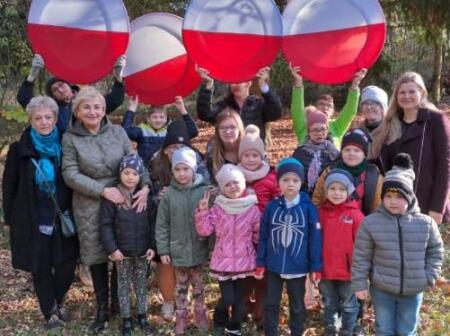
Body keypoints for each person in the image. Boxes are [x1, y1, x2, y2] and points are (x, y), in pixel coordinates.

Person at [62, 87, 151, 332]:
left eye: (97, 107)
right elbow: (70, 173)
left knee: (120, 252)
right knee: (97, 254)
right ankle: (102, 310)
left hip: (124, 202)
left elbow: (136, 162)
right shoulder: (70, 138)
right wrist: (102, 191)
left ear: (104, 110)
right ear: (77, 112)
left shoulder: (118, 132)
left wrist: (145, 187)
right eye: (87, 107)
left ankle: (117, 306)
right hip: (90, 204)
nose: (93, 112)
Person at [2, 96, 78, 329]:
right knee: (41, 263)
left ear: (56, 118)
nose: (44, 122)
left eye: (48, 117)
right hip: (33, 215)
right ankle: (50, 311)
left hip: (64, 212)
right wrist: (9, 216)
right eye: (38, 118)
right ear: (31, 120)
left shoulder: (67, 143)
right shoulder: (19, 149)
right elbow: (9, 184)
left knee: (67, 263)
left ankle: (58, 298)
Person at [352, 153, 444, 336]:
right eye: (388, 196)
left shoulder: (425, 223)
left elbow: (436, 251)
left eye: (399, 196)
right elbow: (361, 256)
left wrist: (429, 276)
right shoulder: (371, 223)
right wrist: (360, 284)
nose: (393, 201)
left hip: (413, 291)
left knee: (407, 330)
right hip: (382, 289)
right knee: (384, 329)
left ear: (410, 197)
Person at [370, 71, 450, 224]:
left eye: (412, 91)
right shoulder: (390, 123)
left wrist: (438, 207)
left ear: (422, 92)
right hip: (394, 204)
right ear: (396, 96)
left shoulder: (436, 120)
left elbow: (445, 167)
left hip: (426, 205)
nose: (406, 96)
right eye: (402, 92)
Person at [150, 120, 210, 321]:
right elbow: (145, 188)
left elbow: (205, 190)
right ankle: (169, 301)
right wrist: (158, 195)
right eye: (172, 147)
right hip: (163, 220)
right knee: (165, 262)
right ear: (165, 149)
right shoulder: (155, 164)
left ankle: (192, 305)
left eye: (180, 146)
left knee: (190, 270)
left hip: (190, 226)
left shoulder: (197, 164)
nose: (175, 150)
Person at [255, 158, 322, 336]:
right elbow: (263, 236)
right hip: (274, 266)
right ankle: (271, 332)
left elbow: (315, 239)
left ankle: (297, 332)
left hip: (298, 267)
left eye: (295, 180)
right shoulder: (271, 208)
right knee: (271, 302)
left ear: (301, 182)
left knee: (297, 304)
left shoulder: (308, 209)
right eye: (285, 180)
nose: (290, 184)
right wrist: (261, 261)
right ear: (279, 183)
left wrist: (315, 266)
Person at [195, 164, 261, 335]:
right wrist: (203, 211)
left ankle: (234, 327)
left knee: (239, 301)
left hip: (245, 261)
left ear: (243, 183)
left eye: (236, 183)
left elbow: (257, 234)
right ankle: (219, 317)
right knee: (228, 298)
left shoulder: (252, 208)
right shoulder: (218, 208)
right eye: (227, 185)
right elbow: (205, 230)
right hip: (223, 261)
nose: (232, 187)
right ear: (222, 188)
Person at [100, 154, 155, 336]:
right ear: (120, 174)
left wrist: (152, 247)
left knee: (141, 284)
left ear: (140, 176)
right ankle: (126, 319)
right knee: (122, 286)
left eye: (134, 173)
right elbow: (105, 225)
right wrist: (112, 249)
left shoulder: (145, 196)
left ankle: (142, 315)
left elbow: (154, 223)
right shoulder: (113, 196)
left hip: (141, 251)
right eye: (126, 172)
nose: (130, 177)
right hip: (121, 253)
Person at [235, 124, 280, 329]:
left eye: (255, 155)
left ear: (261, 156)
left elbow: (279, 201)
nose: (251, 159)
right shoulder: (235, 177)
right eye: (247, 155)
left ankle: (261, 313)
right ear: (240, 157)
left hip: (265, 234)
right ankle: (242, 308)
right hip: (241, 234)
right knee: (244, 274)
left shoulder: (271, 177)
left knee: (263, 275)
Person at [17, 53, 126, 132]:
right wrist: (31, 76)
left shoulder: (88, 100)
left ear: (68, 85)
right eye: (54, 90)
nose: (59, 90)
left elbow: (116, 99)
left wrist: (118, 76)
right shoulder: (53, 109)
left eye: (61, 85)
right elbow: (24, 98)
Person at [318, 169, 365, 336]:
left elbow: (363, 245)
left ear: (348, 191)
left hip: (348, 271)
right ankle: (331, 327)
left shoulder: (355, 215)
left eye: (341, 189)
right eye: (332, 188)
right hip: (326, 269)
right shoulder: (321, 213)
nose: (337, 193)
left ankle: (347, 329)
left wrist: (359, 269)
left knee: (349, 303)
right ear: (326, 191)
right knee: (329, 301)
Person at [196, 66, 282, 141]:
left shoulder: (258, 105)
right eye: (232, 82)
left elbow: (276, 113)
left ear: (248, 83)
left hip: (252, 155)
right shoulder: (224, 106)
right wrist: (208, 85)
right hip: (229, 156)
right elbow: (205, 114)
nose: (234, 85)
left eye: (238, 81)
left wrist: (264, 86)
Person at [290, 65, 367, 148]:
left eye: (329, 106)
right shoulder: (304, 126)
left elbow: (350, 111)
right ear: (315, 109)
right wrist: (298, 82)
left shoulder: (336, 127)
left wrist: (355, 85)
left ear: (333, 112)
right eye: (321, 104)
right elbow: (297, 109)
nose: (325, 108)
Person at [312, 128, 383, 216]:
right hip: (330, 222)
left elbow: (378, 208)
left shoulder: (374, 176)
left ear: (364, 154)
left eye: (356, 150)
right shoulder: (329, 171)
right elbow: (317, 200)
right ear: (341, 152)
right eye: (347, 150)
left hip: (362, 225)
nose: (351, 153)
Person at [121, 95, 198, 166]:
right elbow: (125, 132)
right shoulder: (142, 130)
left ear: (166, 118)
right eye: (154, 117)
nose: (158, 120)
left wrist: (182, 110)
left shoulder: (170, 130)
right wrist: (131, 109)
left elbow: (193, 132)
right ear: (148, 119)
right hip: (145, 169)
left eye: (161, 117)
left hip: (166, 169)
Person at [292, 106, 340, 195]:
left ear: (327, 130)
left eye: (322, 129)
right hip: (303, 194)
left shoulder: (333, 153)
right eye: (315, 130)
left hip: (325, 195)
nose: (319, 133)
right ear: (308, 132)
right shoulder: (300, 152)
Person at [207, 107, 245, 177]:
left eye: (232, 127)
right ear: (217, 131)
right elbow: (209, 180)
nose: (227, 131)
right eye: (223, 128)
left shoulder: (251, 146)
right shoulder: (212, 151)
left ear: (239, 128)